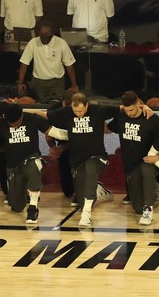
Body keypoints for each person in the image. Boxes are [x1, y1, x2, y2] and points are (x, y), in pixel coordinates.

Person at [44, 93, 119, 227]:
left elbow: (122, 108)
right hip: (77, 160)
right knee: (80, 199)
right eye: (75, 111)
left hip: (97, 156)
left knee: (91, 168)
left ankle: (86, 215)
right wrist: (23, 112)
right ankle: (100, 190)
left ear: (86, 105)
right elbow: (44, 116)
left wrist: (143, 107)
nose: (78, 114)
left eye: (80, 111)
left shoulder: (98, 110)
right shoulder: (66, 113)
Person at [0, 103, 56, 224]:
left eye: (17, 123)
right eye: (11, 124)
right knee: (16, 206)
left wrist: (71, 137)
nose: (15, 126)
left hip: (30, 158)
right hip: (13, 165)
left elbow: (52, 131)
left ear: (22, 115)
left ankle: (33, 208)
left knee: (34, 165)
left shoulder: (33, 119)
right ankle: (22, 192)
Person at [107, 91, 159, 225]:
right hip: (131, 165)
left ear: (138, 103)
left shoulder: (153, 119)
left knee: (146, 170)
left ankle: (149, 209)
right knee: (137, 209)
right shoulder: (121, 115)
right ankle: (151, 196)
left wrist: (157, 158)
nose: (129, 113)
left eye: (131, 110)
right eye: (126, 110)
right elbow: (107, 129)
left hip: (148, 161)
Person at [16, 20, 78, 103]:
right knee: (40, 105)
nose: (43, 36)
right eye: (42, 33)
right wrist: (20, 83)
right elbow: (24, 64)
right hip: (39, 82)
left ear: (52, 34)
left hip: (57, 82)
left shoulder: (61, 43)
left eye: (46, 34)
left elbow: (69, 66)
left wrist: (74, 85)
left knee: (56, 105)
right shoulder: (33, 42)